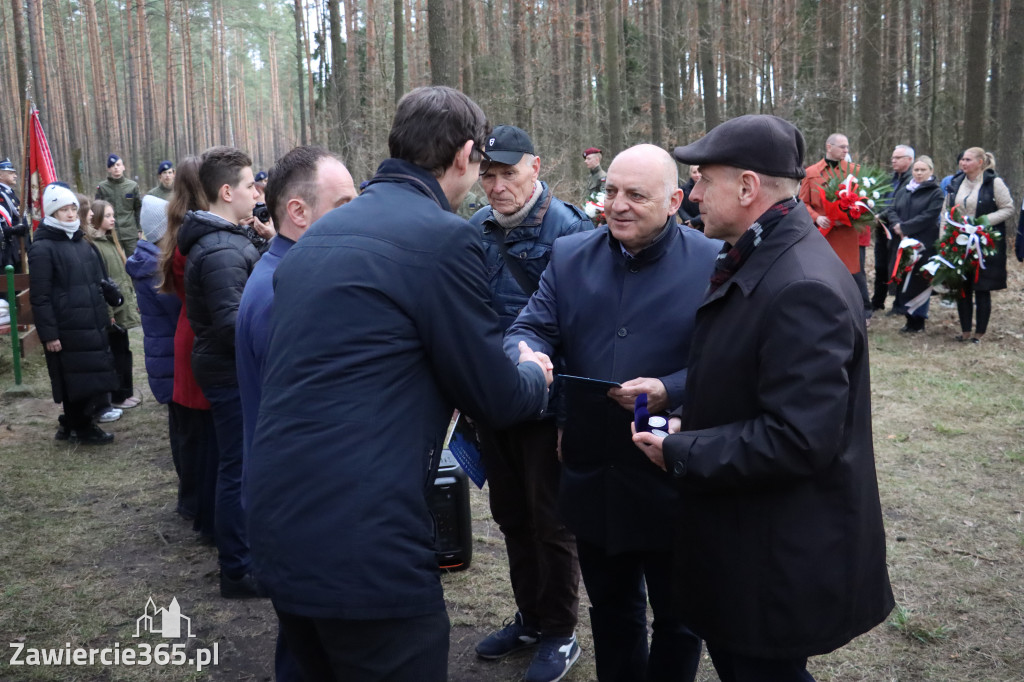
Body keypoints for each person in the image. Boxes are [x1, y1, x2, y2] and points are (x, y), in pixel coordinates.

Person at [246, 86, 553, 682]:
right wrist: (533, 375)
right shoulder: (445, 239)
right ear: (466, 154)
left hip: (280, 520)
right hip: (366, 538)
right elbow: (494, 395)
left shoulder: (313, 243)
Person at [633, 114, 894, 682]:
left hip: (775, 556)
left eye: (703, 180)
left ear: (748, 187)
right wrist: (687, 423)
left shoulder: (800, 284)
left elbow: (798, 439)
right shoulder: (760, 253)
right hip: (749, 537)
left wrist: (683, 452)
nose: (693, 194)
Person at [505, 143, 721, 682]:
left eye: (635, 195)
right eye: (611, 191)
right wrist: (527, 353)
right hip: (592, 466)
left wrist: (670, 389)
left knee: (679, 616)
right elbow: (530, 327)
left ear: (675, 201)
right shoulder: (571, 254)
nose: (617, 205)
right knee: (613, 610)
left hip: (674, 466)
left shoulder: (712, 262)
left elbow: (734, 363)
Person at [468, 125, 591, 682]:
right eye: (487, 175)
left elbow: (585, 334)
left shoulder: (571, 231)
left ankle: (561, 633)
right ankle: (531, 616)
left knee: (553, 523)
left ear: (535, 168)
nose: (497, 186)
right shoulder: (472, 230)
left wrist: (569, 416)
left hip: (547, 410)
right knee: (511, 517)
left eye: (508, 174)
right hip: (496, 404)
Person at [236, 146, 356, 682]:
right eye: (344, 204)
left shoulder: (289, 274)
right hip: (302, 509)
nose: (358, 216)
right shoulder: (285, 293)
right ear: (297, 212)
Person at [178, 145, 269, 598]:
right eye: (252, 184)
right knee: (239, 467)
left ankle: (242, 554)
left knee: (236, 462)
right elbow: (236, 324)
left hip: (228, 368)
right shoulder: (220, 250)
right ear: (228, 191)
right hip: (230, 372)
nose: (258, 191)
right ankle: (237, 568)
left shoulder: (230, 240)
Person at [158, 156, 219, 544]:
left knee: (192, 428)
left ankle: (193, 500)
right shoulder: (198, 234)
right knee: (204, 429)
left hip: (187, 331)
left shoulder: (179, 225)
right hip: (199, 333)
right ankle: (201, 505)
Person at [127, 194, 199, 520]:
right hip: (171, 360)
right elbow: (183, 307)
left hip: (165, 359)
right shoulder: (156, 268)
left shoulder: (151, 261)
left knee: (182, 430)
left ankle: (189, 497)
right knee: (185, 435)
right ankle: (189, 500)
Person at [29, 184, 118, 445]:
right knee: (75, 380)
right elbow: (40, 296)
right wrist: (49, 334)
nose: (69, 214)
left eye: (72, 209)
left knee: (92, 375)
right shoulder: (43, 248)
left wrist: (108, 308)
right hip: (67, 329)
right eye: (62, 210)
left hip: (91, 324)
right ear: (51, 214)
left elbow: (96, 283)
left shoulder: (82, 242)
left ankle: (72, 423)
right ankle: (82, 426)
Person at [944, 147, 1015, 343]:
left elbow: (1008, 208)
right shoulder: (956, 182)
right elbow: (947, 211)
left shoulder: (994, 182)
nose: (963, 163)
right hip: (959, 241)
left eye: (968, 160)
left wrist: (982, 222)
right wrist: (945, 237)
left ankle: (979, 333)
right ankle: (965, 330)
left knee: (982, 287)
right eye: (962, 160)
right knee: (962, 287)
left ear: (980, 162)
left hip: (984, 242)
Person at [798, 133, 872, 322]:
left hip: (846, 233)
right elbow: (802, 202)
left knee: (851, 274)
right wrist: (817, 217)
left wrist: (848, 216)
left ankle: (856, 312)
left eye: (847, 147)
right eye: (842, 147)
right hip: (823, 233)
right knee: (822, 272)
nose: (846, 150)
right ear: (829, 147)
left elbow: (864, 200)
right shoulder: (811, 172)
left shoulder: (854, 170)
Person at [88, 199, 142, 411]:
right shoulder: (96, 247)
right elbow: (102, 281)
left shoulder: (111, 241)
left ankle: (124, 392)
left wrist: (131, 300)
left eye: (113, 215)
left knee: (124, 350)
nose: (113, 219)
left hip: (122, 305)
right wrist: (109, 311)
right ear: (97, 217)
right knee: (118, 353)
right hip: (112, 311)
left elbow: (122, 276)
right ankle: (119, 396)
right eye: (108, 216)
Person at [885, 155, 943, 333]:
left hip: (923, 243)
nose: (918, 173)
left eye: (922, 170)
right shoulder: (905, 190)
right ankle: (908, 318)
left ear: (931, 171)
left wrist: (906, 227)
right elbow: (892, 208)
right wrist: (897, 225)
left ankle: (918, 320)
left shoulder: (936, 192)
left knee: (919, 281)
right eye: (916, 170)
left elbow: (929, 216)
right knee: (903, 279)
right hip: (902, 241)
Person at [875, 145, 914, 314]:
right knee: (880, 266)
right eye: (893, 157)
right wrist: (875, 212)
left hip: (899, 229)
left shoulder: (911, 180)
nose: (893, 161)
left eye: (898, 158)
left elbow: (897, 205)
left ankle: (899, 304)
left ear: (909, 160)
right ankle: (877, 300)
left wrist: (881, 215)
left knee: (897, 267)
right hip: (882, 229)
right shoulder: (889, 179)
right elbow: (882, 199)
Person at [95, 154, 143, 256]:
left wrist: (139, 229)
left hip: (130, 233)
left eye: (118, 165)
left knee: (135, 262)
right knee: (117, 263)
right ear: (108, 169)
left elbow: (138, 209)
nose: (116, 167)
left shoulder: (132, 186)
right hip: (111, 233)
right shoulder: (102, 188)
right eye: (112, 166)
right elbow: (97, 211)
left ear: (123, 167)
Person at [0, 156, 28, 271]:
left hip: (16, 248)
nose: (15, 176)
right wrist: (13, 230)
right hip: (7, 250)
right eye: (11, 173)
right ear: (0, 175)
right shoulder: (2, 194)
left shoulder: (9, 193)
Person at [676, 164, 702, 229]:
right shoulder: (683, 189)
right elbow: (680, 208)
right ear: (690, 174)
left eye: (699, 171)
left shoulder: (710, 189)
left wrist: (694, 221)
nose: (697, 175)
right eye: (694, 172)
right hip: (688, 226)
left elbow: (710, 210)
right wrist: (689, 222)